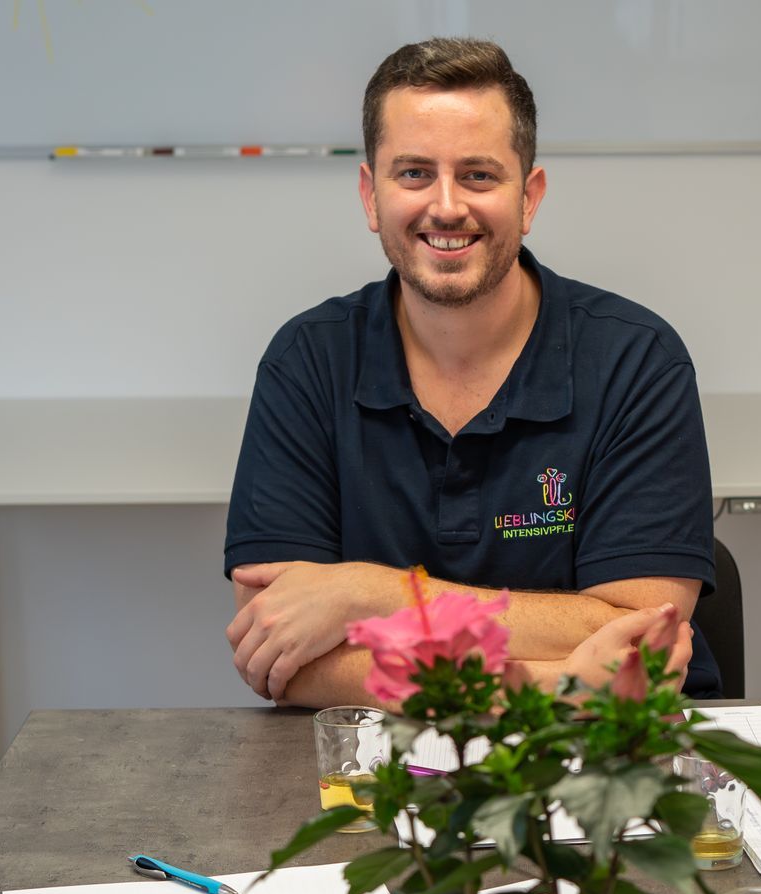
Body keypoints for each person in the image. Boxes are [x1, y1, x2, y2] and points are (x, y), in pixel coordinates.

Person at [223, 37, 718, 707]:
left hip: (606, 765)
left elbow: (640, 640)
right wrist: (554, 683)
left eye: (479, 175)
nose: (447, 206)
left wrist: (373, 595)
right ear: (371, 195)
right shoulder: (307, 363)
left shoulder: (636, 361)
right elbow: (280, 653)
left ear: (528, 197)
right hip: (375, 771)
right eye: (414, 173)